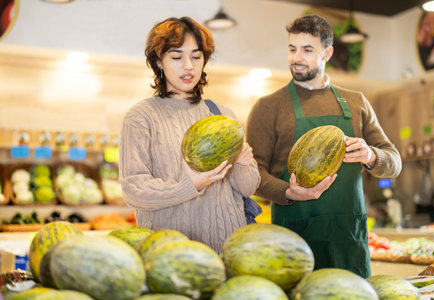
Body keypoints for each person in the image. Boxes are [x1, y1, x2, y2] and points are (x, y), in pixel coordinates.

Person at [246, 15, 402, 278]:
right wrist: (288, 192)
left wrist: (371, 154)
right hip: (294, 237)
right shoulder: (268, 106)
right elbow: (251, 173)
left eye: (307, 50)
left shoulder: (357, 102)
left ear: (327, 52)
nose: (296, 57)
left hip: (347, 237)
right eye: (292, 48)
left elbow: (394, 162)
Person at [119, 17, 260, 253]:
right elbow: (133, 189)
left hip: (229, 250)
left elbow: (247, 188)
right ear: (158, 61)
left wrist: (245, 163)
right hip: (171, 254)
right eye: (176, 57)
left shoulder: (222, 115)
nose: (189, 66)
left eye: (196, 56)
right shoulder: (141, 117)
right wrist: (189, 185)